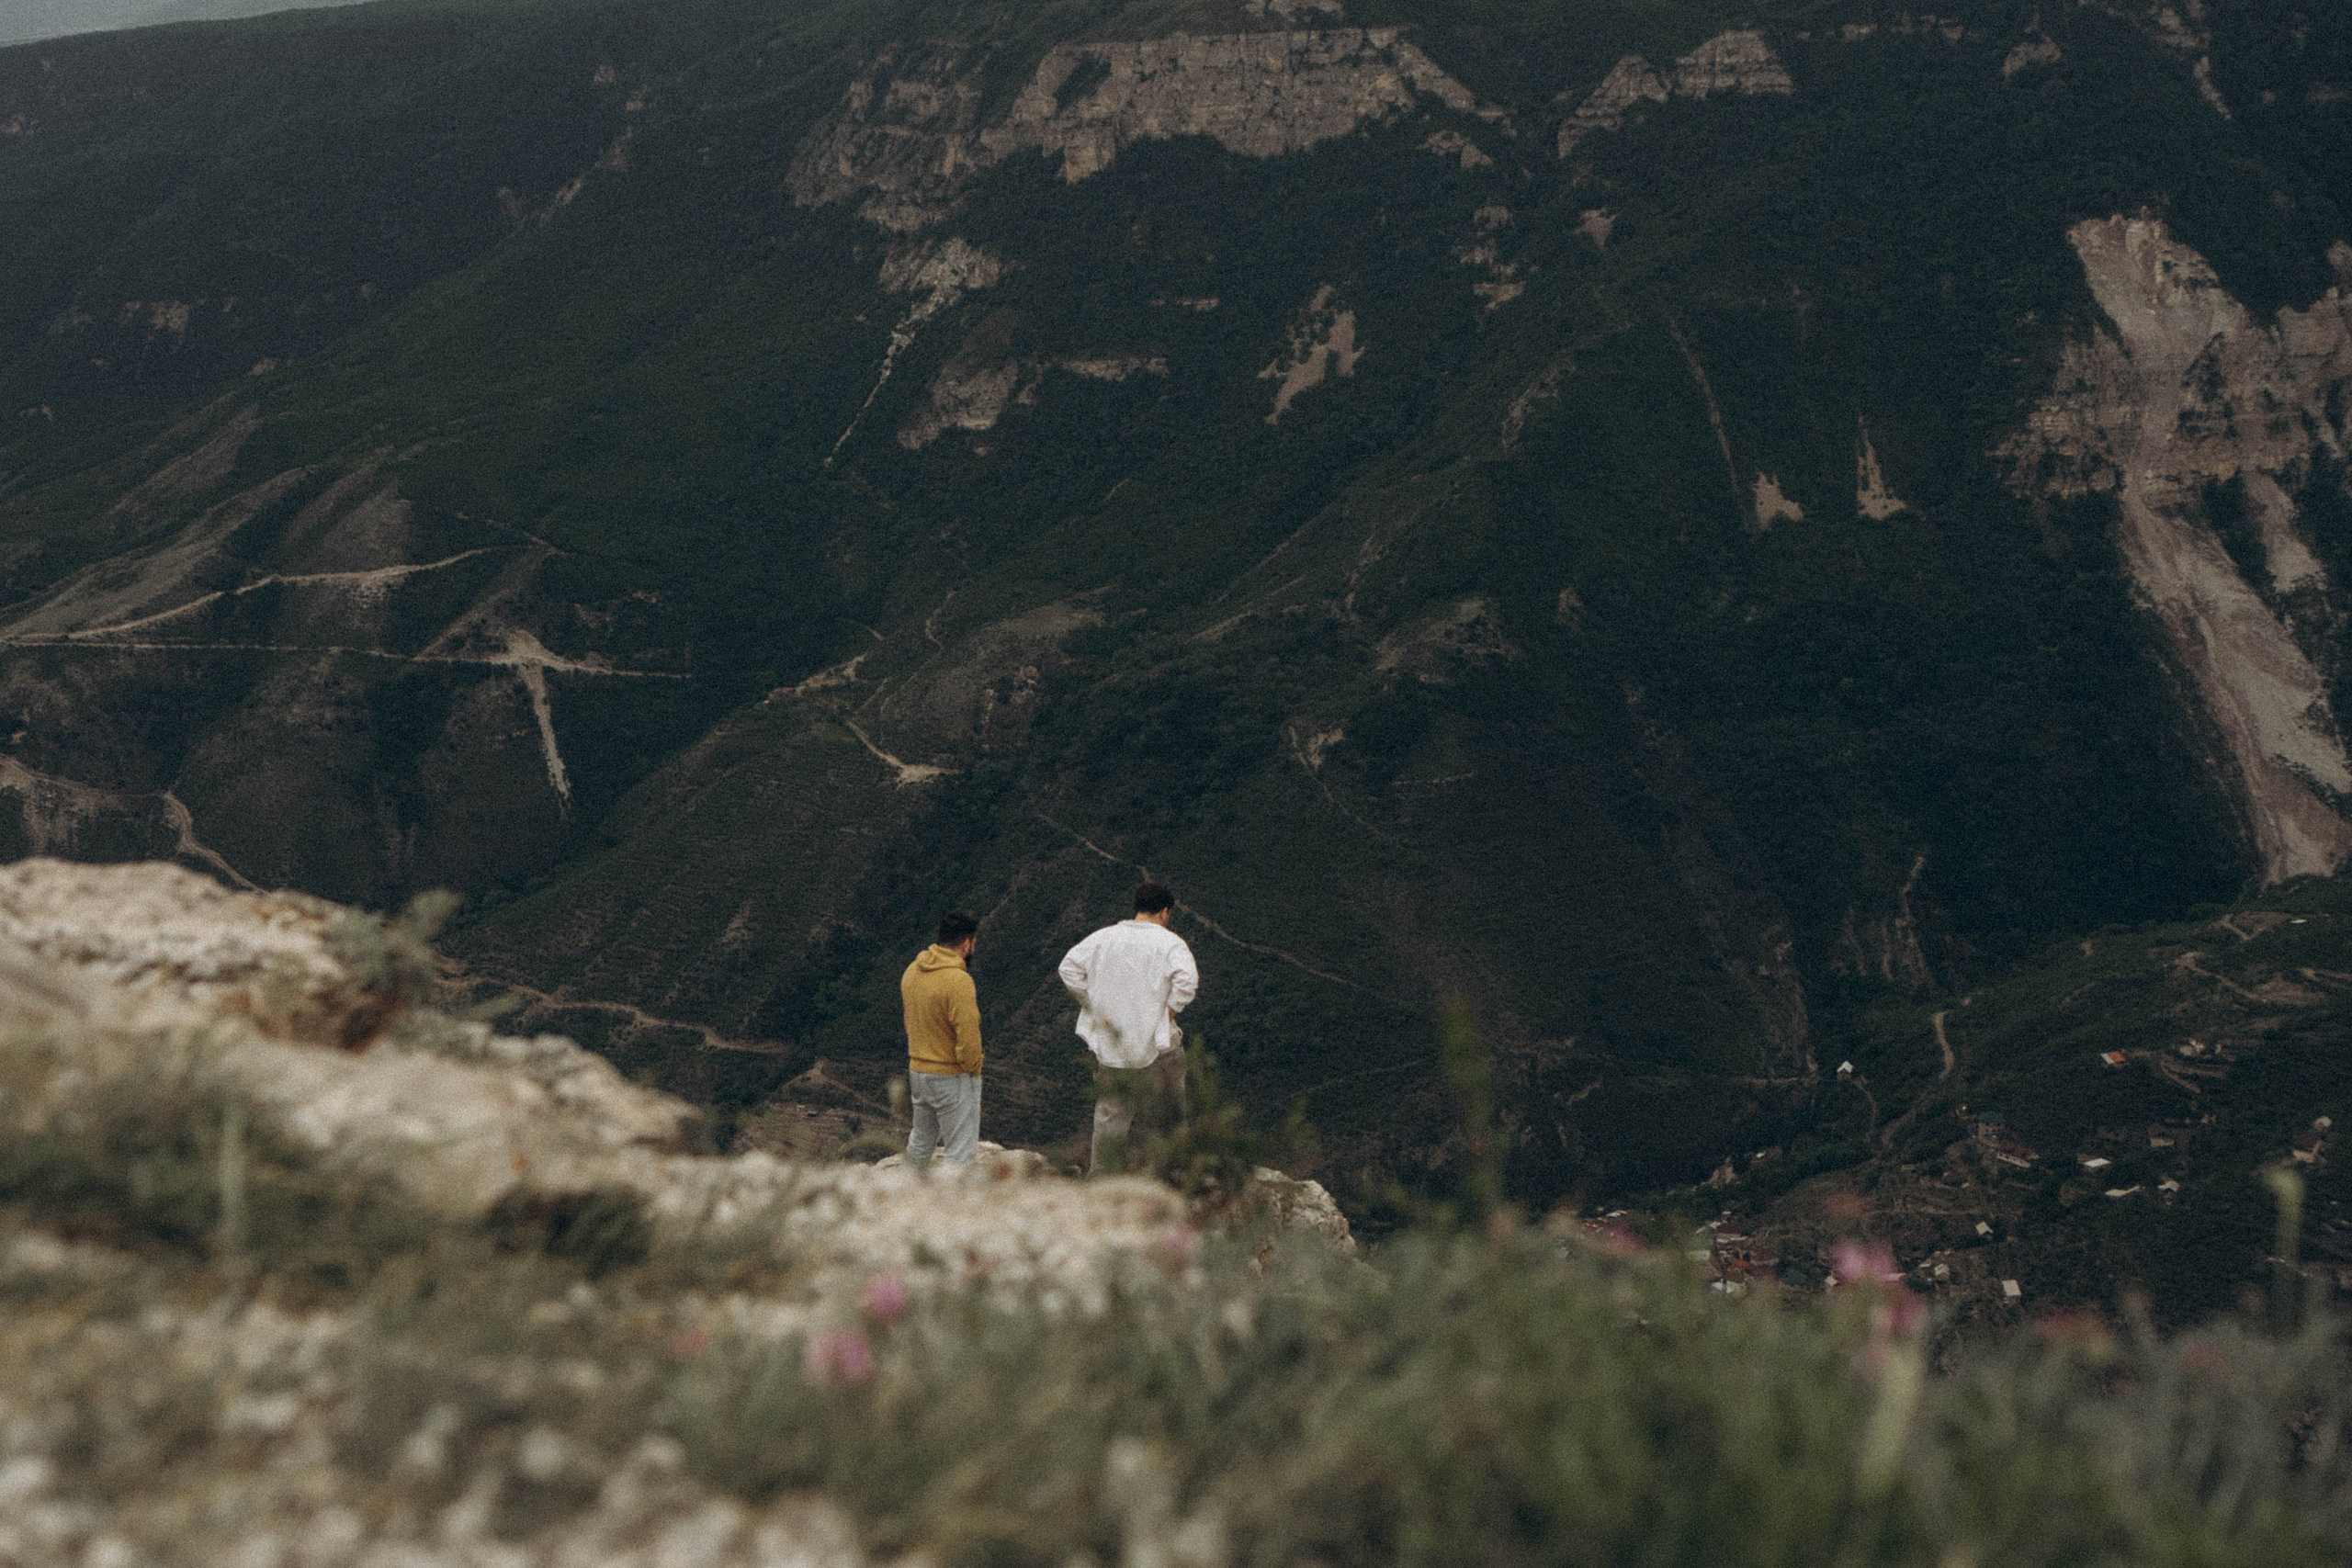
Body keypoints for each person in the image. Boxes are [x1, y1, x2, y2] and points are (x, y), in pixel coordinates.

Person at [1058, 881, 1199, 1174]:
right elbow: (1187, 981)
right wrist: (1169, 1012)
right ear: (1164, 912)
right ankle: (1171, 1180)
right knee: (1169, 1119)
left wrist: (1093, 1005)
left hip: (1114, 1045)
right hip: (1159, 1044)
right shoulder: (1170, 943)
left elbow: (1068, 968)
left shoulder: (1103, 938)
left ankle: (1102, 1183)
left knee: (1110, 1120)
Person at [901, 910, 983, 1168]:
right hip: (951, 1076)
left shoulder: (912, 971)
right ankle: (952, 1206)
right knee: (959, 1153)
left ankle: (905, 1198)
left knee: (920, 1142)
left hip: (918, 1071)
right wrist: (973, 1066)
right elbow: (968, 1035)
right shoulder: (958, 981)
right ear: (966, 943)